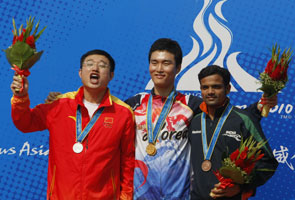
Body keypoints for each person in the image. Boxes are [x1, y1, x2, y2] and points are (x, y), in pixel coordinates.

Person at [45, 39, 277, 200]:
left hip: (180, 194)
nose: (159, 68)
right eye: (154, 62)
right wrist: (62, 99)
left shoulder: (192, 105)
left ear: (178, 67)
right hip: (139, 194)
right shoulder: (130, 105)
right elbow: (95, 110)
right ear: (148, 66)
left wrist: (259, 106)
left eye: (166, 63)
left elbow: (227, 115)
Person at [10, 49, 135, 200]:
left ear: (111, 75)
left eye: (102, 65)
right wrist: (21, 97)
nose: (95, 68)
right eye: (89, 64)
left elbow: (128, 161)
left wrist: (126, 197)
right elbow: (25, 123)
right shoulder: (59, 104)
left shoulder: (123, 113)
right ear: (80, 73)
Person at [189, 65, 278, 200]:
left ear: (228, 89)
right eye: (205, 87)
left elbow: (268, 162)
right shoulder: (194, 121)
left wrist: (241, 187)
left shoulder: (243, 120)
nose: (210, 91)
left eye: (216, 86)